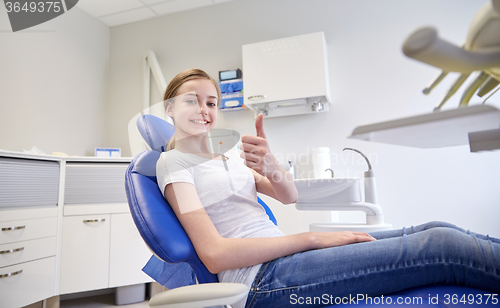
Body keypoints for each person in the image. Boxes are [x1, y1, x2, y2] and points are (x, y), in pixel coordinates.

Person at [156, 68, 500, 308]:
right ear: (170, 108)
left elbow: (288, 196)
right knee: (440, 246)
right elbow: (214, 254)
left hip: (286, 259)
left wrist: (272, 164)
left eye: (212, 102)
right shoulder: (173, 164)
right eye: (192, 100)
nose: (204, 109)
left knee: (434, 229)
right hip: (264, 282)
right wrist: (312, 238)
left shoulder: (227, 156)